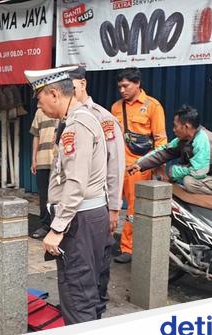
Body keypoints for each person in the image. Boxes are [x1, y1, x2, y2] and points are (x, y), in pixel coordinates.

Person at [25, 66, 110, 325]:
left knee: (77, 294)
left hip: (80, 220)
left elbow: (75, 181)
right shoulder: (82, 119)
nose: (40, 108)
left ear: (53, 93)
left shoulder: (76, 125)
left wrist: (58, 227)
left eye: (39, 101)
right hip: (91, 216)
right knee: (90, 289)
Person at [69, 66, 125, 319]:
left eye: (71, 85)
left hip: (96, 206)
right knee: (80, 267)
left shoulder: (102, 117)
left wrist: (114, 207)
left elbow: (115, 164)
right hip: (74, 210)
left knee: (98, 264)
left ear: (81, 84)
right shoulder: (67, 118)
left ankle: (96, 313)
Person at [110, 67, 167, 264]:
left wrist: (159, 167)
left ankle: (128, 247)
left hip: (139, 168)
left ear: (137, 84)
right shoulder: (116, 107)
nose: (122, 90)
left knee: (133, 209)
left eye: (126, 86)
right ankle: (108, 239)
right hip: (117, 167)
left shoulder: (153, 106)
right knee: (111, 205)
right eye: (119, 87)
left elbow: (160, 141)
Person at [127, 105, 212, 197]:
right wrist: (139, 164)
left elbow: (198, 172)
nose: (173, 130)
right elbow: (164, 151)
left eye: (175, 126)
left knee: (190, 182)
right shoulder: (184, 139)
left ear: (186, 126)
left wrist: (172, 172)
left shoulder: (203, 140)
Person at [29, 108, 59, 239]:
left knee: (59, 195)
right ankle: (45, 225)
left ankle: (58, 226)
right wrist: (33, 159)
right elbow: (36, 136)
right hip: (42, 159)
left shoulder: (63, 108)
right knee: (43, 195)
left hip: (59, 160)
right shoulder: (39, 112)